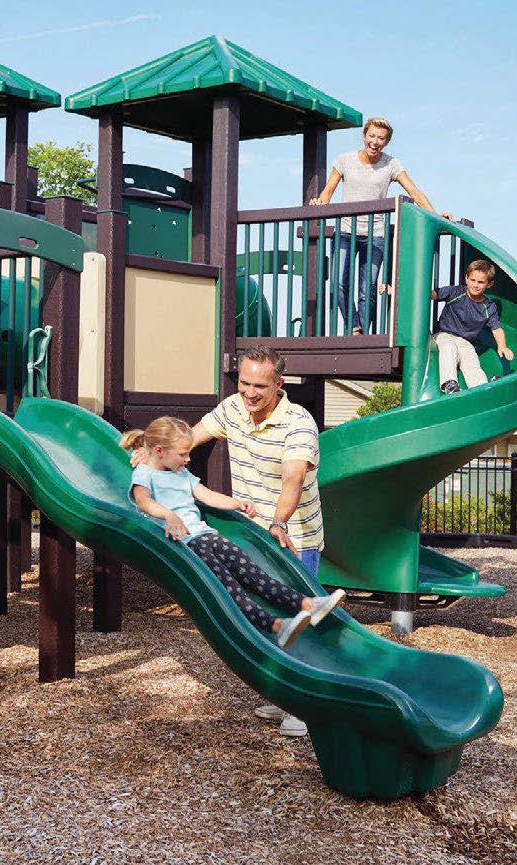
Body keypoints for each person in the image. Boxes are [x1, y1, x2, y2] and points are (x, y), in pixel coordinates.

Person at [130, 345, 326, 737]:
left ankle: (305, 708)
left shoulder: (298, 423)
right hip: (252, 535)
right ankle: (283, 695)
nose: (250, 393)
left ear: (278, 384)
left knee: (302, 625)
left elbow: (293, 478)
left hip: (292, 535)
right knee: (267, 612)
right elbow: (188, 438)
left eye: (259, 386)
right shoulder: (232, 408)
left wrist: (279, 522)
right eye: (244, 383)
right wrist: (148, 454)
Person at [120, 416, 346, 649]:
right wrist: (168, 515)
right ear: (159, 451)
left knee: (253, 574)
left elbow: (207, 495)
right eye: (182, 454)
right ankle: (277, 626)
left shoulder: (182, 474)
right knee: (229, 587)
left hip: (205, 536)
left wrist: (236, 503)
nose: (188, 459)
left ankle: (307, 604)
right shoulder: (144, 474)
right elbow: (143, 501)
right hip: (183, 544)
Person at [309, 117, 453, 335]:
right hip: (346, 231)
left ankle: (362, 336)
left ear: (387, 142)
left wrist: (435, 216)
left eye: (381, 138)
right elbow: (327, 192)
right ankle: (354, 327)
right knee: (338, 283)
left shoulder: (391, 164)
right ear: (364, 136)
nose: (375, 142)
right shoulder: (345, 160)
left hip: (375, 234)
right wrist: (319, 202)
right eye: (372, 136)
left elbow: (414, 192)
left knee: (368, 288)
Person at [431, 259, 514, 393]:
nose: (475, 285)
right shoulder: (456, 292)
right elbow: (432, 294)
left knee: (470, 358)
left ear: (489, 284)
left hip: (465, 340)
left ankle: (481, 387)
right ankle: (449, 383)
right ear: (467, 279)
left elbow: (497, 328)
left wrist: (502, 346)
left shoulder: (488, 306)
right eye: (472, 280)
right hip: (443, 334)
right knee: (449, 347)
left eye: (480, 282)